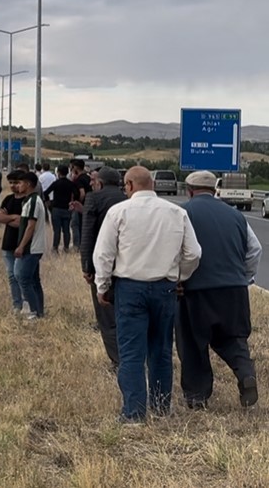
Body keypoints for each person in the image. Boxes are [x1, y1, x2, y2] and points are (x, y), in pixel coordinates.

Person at [93, 166, 201, 423]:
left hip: (129, 288)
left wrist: (102, 286)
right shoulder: (177, 212)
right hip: (164, 288)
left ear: (129, 185)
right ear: (152, 184)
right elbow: (194, 253)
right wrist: (179, 277)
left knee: (131, 353)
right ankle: (161, 407)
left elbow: (104, 254)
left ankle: (134, 413)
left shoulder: (118, 212)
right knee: (161, 350)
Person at [177, 170, 261, 409]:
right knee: (234, 338)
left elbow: (176, 251)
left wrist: (178, 280)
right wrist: (242, 277)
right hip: (234, 289)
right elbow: (254, 251)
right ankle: (245, 373)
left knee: (193, 344)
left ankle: (197, 397)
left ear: (189, 190)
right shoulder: (235, 215)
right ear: (215, 190)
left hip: (196, 290)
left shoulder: (183, 213)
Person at [79, 167, 125, 371]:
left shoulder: (94, 199)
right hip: (126, 264)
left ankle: (117, 361)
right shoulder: (127, 198)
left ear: (100, 183)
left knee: (106, 315)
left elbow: (87, 234)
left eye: (93, 180)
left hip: (102, 263)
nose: (91, 184)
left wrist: (87, 267)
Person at [14, 172, 48, 320]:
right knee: (34, 280)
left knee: (24, 279)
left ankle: (34, 310)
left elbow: (30, 226)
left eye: (20, 183)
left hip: (32, 247)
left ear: (28, 184)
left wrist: (21, 246)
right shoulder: (30, 201)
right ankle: (39, 311)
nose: (18, 186)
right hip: (34, 247)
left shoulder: (33, 201)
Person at [0, 171, 28, 314]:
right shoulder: (8, 199)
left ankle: (27, 303)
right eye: (11, 183)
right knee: (12, 275)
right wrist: (13, 217)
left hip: (24, 244)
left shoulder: (28, 200)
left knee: (22, 275)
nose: (14, 186)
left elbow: (24, 222)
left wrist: (8, 218)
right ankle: (16, 304)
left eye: (16, 182)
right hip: (8, 243)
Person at [45, 165, 76, 253]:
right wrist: (73, 202)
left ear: (58, 172)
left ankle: (55, 248)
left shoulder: (56, 183)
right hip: (67, 209)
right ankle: (66, 247)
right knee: (66, 230)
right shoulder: (70, 183)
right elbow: (76, 193)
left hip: (56, 209)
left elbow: (46, 192)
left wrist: (48, 202)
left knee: (57, 230)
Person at [69, 159, 92, 248]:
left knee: (75, 225)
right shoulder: (88, 177)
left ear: (75, 168)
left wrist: (78, 202)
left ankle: (77, 245)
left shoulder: (78, 180)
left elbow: (82, 193)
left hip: (80, 206)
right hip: (89, 204)